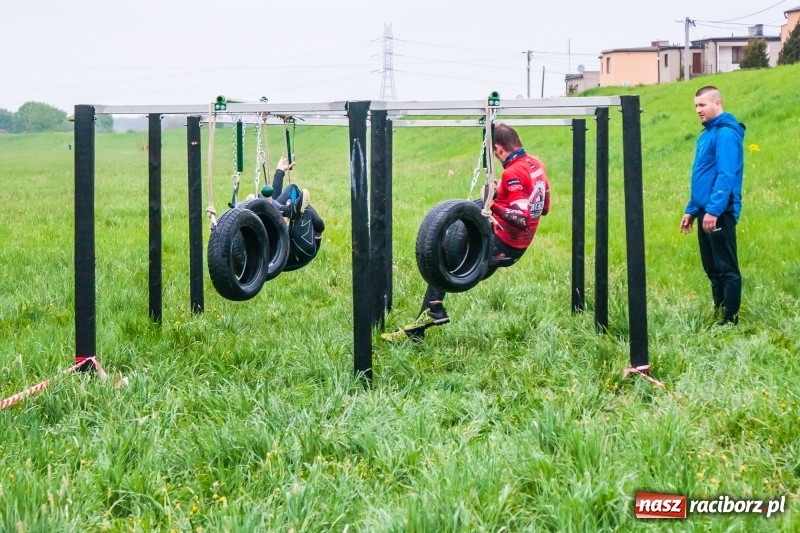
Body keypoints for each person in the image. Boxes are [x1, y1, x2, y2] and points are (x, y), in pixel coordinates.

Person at [382, 124, 550, 341]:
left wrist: (490, 201)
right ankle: (426, 318)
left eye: (494, 154)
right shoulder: (536, 164)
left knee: (440, 250)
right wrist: (501, 195)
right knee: (445, 246)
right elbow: (543, 209)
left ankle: (431, 312)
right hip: (517, 248)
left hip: (501, 244)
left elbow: (523, 219)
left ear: (498, 149)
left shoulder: (513, 172)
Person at [680, 86, 745, 325]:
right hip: (705, 210)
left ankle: (730, 320)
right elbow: (702, 176)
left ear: (717, 103)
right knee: (712, 268)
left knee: (726, 268)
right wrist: (692, 209)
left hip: (719, 212)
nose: (698, 110)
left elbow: (726, 175)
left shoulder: (726, 134)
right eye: (696, 105)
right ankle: (719, 313)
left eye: (702, 105)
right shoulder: (707, 134)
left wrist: (714, 211)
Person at [268, 156, 325, 271]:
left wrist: (279, 172)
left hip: (277, 256)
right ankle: (286, 210)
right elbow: (319, 225)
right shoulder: (311, 227)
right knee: (290, 191)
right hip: (294, 253)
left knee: (267, 202)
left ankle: (285, 209)